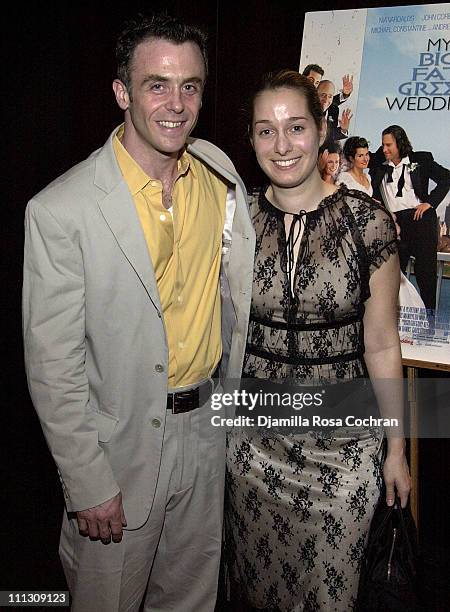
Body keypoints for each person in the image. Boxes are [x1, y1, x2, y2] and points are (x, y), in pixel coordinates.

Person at [23, 13, 255, 612]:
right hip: (116, 452)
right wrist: (87, 482)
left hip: (206, 437)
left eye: (190, 86)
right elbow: (53, 365)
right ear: (122, 92)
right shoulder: (61, 210)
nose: (176, 104)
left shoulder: (219, 179)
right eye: (157, 85)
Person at [225, 70, 410, 611]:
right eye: (265, 131)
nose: (281, 146)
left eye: (296, 127)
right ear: (252, 139)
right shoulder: (236, 222)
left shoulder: (367, 222)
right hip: (253, 452)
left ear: (323, 129)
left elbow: (381, 344)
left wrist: (396, 449)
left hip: (345, 453)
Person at [369, 125, 450, 311]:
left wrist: (429, 203)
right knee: (391, 274)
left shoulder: (421, 159)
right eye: (382, 145)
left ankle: (430, 318)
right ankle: (390, 319)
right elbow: (357, 156)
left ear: (400, 144)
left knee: (425, 274)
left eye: (389, 145)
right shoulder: (378, 162)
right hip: (394, 224)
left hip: (419, 220)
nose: (384, 149)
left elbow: (447, 177)